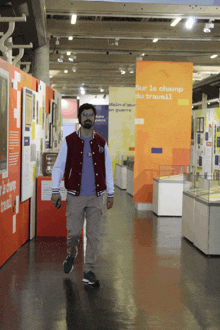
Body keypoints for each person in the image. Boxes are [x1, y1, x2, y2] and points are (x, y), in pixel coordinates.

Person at [51, 103, 114, 287]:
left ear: (95, 119)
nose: (88, 117)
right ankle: (71, 254)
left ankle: (89, 270)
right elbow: (58, 166)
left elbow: (108, 170)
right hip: (75, 196)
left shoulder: (101, 143)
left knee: (93, 235)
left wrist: (110, 193)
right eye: (84, 114)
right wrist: (55, 190)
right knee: (73, 233)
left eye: (91, 115)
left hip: (96, 197)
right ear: (80, 118)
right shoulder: (69, 141)